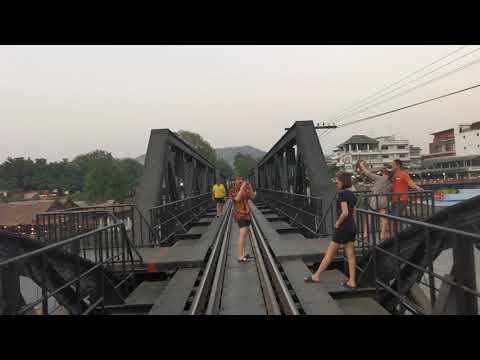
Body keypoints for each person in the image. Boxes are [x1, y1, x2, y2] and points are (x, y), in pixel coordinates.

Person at [304, 171, 358, 289]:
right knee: (351, 255)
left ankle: (316, 276)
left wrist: (337, 223)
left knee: (329, 254)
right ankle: (352, 281)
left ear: (343, 181)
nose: (336, 182)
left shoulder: (342, 194)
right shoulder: (352, 195)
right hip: (351, 227)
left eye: (338, 180)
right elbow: (353, 212)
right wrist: (353, 226)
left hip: (343, 228)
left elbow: (345, 213)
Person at [357, 161, 392, 241]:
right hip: (384, 199)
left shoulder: (380, 178)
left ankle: (366, 234)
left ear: (383, 172)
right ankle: (382, 235)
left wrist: (362, 165)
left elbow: (368, 173)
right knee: (383, 218)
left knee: (369, 216)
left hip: (375, 199)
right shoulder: (390, 181)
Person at [389, 159, 423, 233]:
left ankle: (394, 235)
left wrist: (418, 188)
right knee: (394, 217)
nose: (391, 165)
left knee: (394, 217)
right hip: (394, 200)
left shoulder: (404, 174)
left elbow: (410, 183)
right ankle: (395, 234)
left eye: (393, 164)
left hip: (402, 199)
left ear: (398, 165)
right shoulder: (393, 175)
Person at [230, 176, 254, 263]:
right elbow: (237, 198)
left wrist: (250, 187)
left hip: (247, 215)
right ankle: (240, 256)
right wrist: (242, 188)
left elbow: (252, 196)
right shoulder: (232, 191)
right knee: (242, 234)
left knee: (245, 235)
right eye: (238, 180)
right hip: (240, 215)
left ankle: (244, 253)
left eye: (241, 180)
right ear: (235, 182)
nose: (240, 182)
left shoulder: (244, 190)